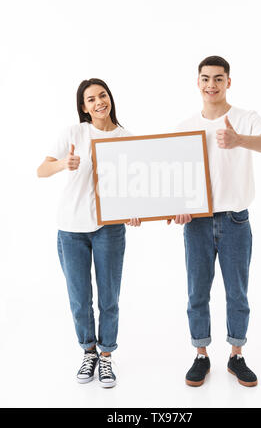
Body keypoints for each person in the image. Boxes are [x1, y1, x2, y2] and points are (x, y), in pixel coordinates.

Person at [169, 56, 261, 387]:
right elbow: (174, 178)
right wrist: (178, 206)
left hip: (235, 219)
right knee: (197, 291)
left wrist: (239, 140)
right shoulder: (184, 127)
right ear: (198, 82)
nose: (211, 85)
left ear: (228, 82)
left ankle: (236, 355)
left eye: (218, 79)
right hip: (198, 222)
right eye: (205, 79)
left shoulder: (245, 118)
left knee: (237, 292)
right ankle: (201, 355)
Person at [37, 78, 140, 387]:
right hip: (71, 228)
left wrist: (135, 210)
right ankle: (89, 351)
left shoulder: (127, 138)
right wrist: (62, 165)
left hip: (109, 228)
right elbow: (41, 169)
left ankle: (106, 357)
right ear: (83, 107)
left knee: (109, 298)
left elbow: (135, 185)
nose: (99, 102)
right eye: (91, 99)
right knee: (80, 299)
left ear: (110, 98)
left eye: (103, 95)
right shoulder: (73, 133)